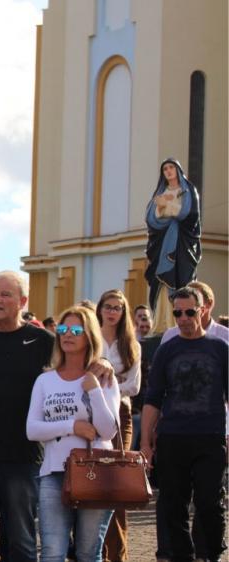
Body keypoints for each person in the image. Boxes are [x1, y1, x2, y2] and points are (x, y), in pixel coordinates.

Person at [0, 271, 114, 562]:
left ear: (23, 302)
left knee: (22, 541)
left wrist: (102, 362)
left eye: (5, 294)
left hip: (24, 460)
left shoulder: (44, 341)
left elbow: (76, 356)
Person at [140, 287, 228, 562]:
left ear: (202, 310)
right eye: (178, 313)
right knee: (172, 504)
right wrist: (145, 443)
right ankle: (183, 556)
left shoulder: (220, 348)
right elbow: (153, 399)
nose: (184, 318)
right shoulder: (167, 350)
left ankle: (210, 553)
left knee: (209, 501)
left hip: (210, 436)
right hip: (172, 437)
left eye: (190, 312)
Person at [26, 307, 120, 562]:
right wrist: (72, 426)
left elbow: (108, 430)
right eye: (63, 329)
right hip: (54, 473)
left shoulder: (103, 377)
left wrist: (95, 391)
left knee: (88, 553)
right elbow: (32, 430)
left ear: (90, 336)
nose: (67, 334)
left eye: (76, 330)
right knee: (52, 552)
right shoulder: (45, 380)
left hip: (97, 471)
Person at [94, 290, 141, 562]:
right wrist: (113, 382)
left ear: (123, 313)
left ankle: (117, 554)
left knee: (116, 482)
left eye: (117, 308)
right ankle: (92, 551)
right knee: (91, 479)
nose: (112, 312)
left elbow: (133, 386)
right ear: (100, 309)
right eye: (108, 306)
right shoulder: (91, 338)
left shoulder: (131, 344)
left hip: (120, 415)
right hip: (90, 413)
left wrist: (106, 383)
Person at [144, 158, 202, 311]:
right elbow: (151, 218)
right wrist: (161, 209)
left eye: (171, 167)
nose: (168, 171)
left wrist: (167, 206)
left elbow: (190, 215)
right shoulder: (160, 192)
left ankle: (181, 313)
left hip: (182, 243)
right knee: (160, 280)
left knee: (181, 278)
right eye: (165, 169)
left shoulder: (188, 190)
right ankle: (162, 317)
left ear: (177, 170)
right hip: (161, 243)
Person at [159, 281, 229, 344]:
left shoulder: (225, 337)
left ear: (209, 303)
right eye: (177, 312)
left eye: (190, 311)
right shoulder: (170, 336)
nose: (184, 318)